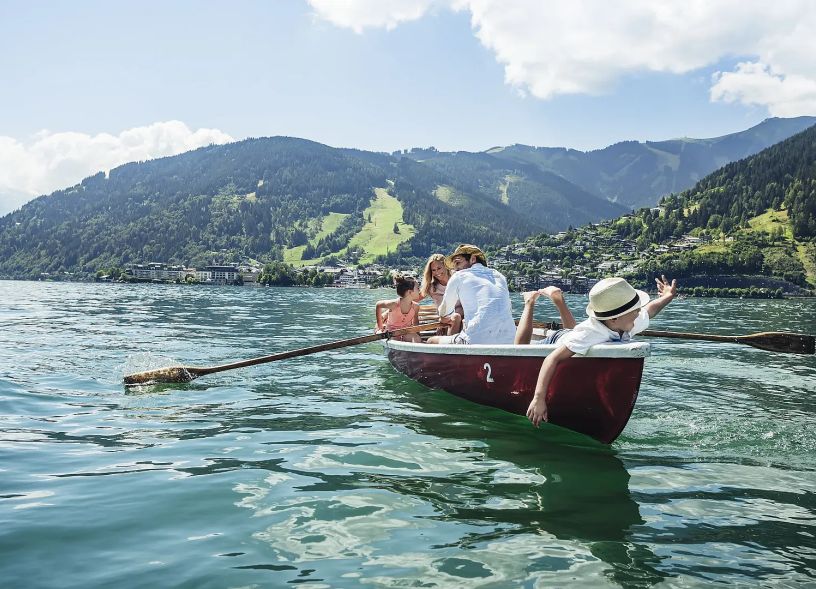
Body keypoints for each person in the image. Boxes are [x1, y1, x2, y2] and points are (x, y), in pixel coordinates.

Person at [526, 275, 677, 427]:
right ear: (613, 320)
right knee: (521, 346)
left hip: (574, 336)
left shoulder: (626, 321)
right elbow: (551, 359)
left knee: (574, 335)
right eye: (635, 311)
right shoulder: (590, 334)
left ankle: (559, 300)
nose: (639, 313)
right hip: (556, 341)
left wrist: (668, 296)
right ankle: (530, 302)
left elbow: (650, 310)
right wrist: (538, 398)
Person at [427, 244, 516, 345]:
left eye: (458, 263)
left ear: (473, 259)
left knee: (432, 341)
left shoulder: (459, 276)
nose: (455, 268)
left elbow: (444, 312)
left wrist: (444, 317)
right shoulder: (500, 276)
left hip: (476, 341)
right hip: (510, 340)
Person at [419, 253, 462, 336]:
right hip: (445, 322)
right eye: (433, 270)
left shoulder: (457, 279)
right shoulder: (432, 287)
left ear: (446, 266)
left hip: (462, 318)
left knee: (458, 315)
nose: (437, 272)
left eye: (439, 268)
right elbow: (412, 298)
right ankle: (450, 345)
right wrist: (390, 310)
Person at [374, 274, 422, 342]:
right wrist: (380, 327)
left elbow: (415, 323)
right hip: (391, 332)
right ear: (410, 292)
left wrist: (417, 335)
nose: (419, 291)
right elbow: (378, 305)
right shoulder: (394, 304)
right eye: (418, 288)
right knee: (394, 339)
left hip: (406, 331)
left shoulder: (416, 307)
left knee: (417, 338)